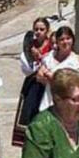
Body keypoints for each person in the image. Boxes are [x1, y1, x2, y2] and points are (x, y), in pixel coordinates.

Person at [14, 17, 54, 145]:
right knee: (29, 114)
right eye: (36, 29)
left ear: (47, 30)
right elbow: (27, 69)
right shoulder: (29, 46)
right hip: (32, 84)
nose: (38, 32)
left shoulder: (52, 46)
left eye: (42, 29)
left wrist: (41, 58)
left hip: (48, 85)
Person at [37, 26, 79, 112]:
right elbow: (39, 76)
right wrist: (41, 75)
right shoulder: (49, 57)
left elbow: (78, 84)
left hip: (68, 105)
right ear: (57, 42)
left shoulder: (78, 60)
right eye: (62, 39)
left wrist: (54, 78)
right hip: (48, 101)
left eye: (68, 38)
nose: (65, 42)